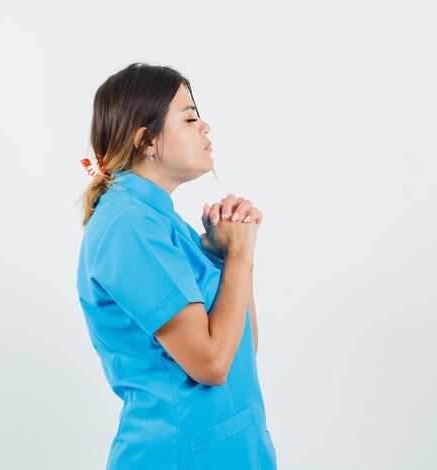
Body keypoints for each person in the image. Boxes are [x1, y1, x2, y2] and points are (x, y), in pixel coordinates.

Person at [76, 62, 277, 469]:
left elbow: (241, 348)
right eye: (189, 118)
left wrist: (237, 256)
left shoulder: (164, 223)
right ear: (146, 140)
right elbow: (212, 364)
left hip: (231, 451)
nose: (205, 128)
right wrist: (236, 256)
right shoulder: (128, 226)